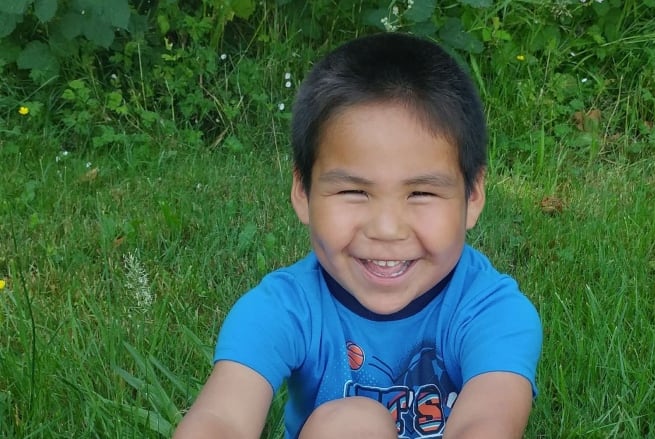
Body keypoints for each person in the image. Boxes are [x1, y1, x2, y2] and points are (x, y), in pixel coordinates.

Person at [173, 32, 542, 439]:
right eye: (353, 192)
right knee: (352, 424)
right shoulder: (284, 308)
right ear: (303, 192)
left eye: (420, 193)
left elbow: (486, 423)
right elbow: (222, 417)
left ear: (472, 196)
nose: (386, 229)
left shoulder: (491, 310)